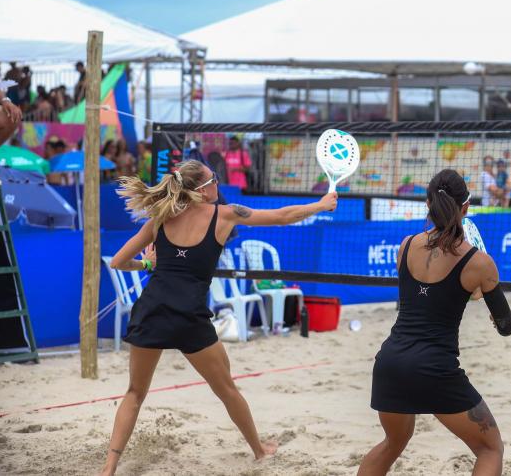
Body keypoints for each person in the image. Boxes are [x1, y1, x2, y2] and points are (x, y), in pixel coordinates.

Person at [100, 159, 337, 476]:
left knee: (134, 393)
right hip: (189, 315)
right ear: (202, 189)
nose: (218, 183)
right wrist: (321, 204)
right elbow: (282, 217)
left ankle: (109, 467)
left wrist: (147, 266)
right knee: (227, 389)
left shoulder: (161, 217)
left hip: (151, 309)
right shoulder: (225, 215)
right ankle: (259, 450)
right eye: (215, 179)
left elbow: (117, 261)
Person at [359, 169, 511, 476]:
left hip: (390, 363)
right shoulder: (479, 263)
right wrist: (480, 294)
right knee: (490, 448)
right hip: (434, 368)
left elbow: (424, 297)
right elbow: (506, 325)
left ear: (428, 205)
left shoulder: (406, 245)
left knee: (392, 443)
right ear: (466, 207)